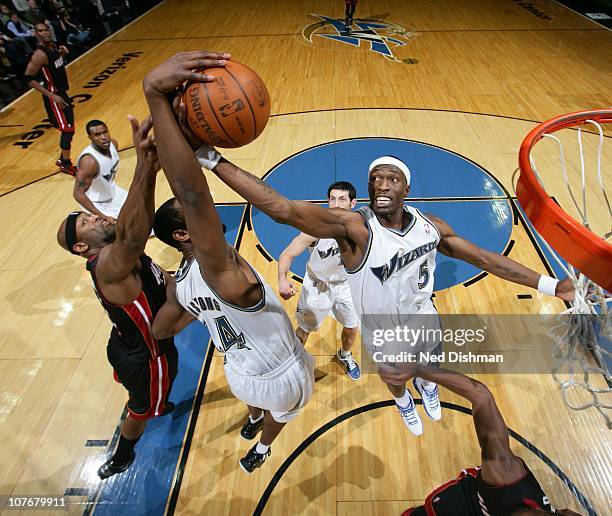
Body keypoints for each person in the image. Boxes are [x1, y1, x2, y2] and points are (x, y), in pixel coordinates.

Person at [181, 65, 574, 437]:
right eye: (375, 179)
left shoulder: (431, 227)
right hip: (382, 330)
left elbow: (489, 260)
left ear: (406, 189)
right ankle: (405, 403)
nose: (382, 184)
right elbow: (282, 209)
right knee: (394, 379)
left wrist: (553, 285)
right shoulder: (355, 229)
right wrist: (213, 160)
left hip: (424, 316)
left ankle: (429, 389)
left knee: (430, 366)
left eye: (392, 179)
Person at [143, 51, 315, 474]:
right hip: (280, 374)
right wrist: (156, 98)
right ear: (184, 235)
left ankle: (253, 415)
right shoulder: (222, 271)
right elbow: (192, 193)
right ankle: (265, 444)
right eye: (193, 223)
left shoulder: (182, 286)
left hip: (238, 369)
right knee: (283, 415)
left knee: (257, 403)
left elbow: (160, 329)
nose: (207, 215)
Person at [56, 115, 185, 480]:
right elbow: (134, 232)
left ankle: (151, 400)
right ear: (82, 246)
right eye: (86, 222)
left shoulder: (114, 255)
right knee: (139, 410)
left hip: (126, 342)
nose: (95, 218)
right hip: (148, 355)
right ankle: (123, 456)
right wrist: (147, 166)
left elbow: (131, 230)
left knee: (146, 398)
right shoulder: (111, 262)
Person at [375, 364, 582, 516]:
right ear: (562, 512)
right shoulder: (506, 474)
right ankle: (422, 389)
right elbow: (481, 395)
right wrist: (417, 370)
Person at [278, 180, 361, 380]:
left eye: (342, 199)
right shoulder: (315, 229)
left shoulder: (362, 228)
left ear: (353, 203)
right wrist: (282, 279)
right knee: (305, 329)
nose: (336, 204)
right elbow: (287, 255)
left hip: (346, 285)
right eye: (332, 199)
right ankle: (294, 364)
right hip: (317, 286)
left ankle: (345, 355)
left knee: (351, 328)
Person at [24, 21, 76, 175]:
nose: (45, 33)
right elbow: (28, 78)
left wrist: (62, 54)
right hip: (54, 96)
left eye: (46, 30)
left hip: (62, 93)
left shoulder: (53, 46)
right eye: (40, 31)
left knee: (70, 129)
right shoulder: (39, 54)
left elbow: (54, 65)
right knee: (67, 129)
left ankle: (62, 159)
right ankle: (65, 164)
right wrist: (51, 95)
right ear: (36, 33)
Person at [73, 119, 126, 221]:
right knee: (128, 230)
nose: (103, 137)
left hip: (114, 192)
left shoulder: (113, 144)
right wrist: (103, 216)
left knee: (144, 210)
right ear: (90, 137)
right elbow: (78, 194)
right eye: (97, 135)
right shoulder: (89, 162)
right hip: (98, 203)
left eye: (105, 132)